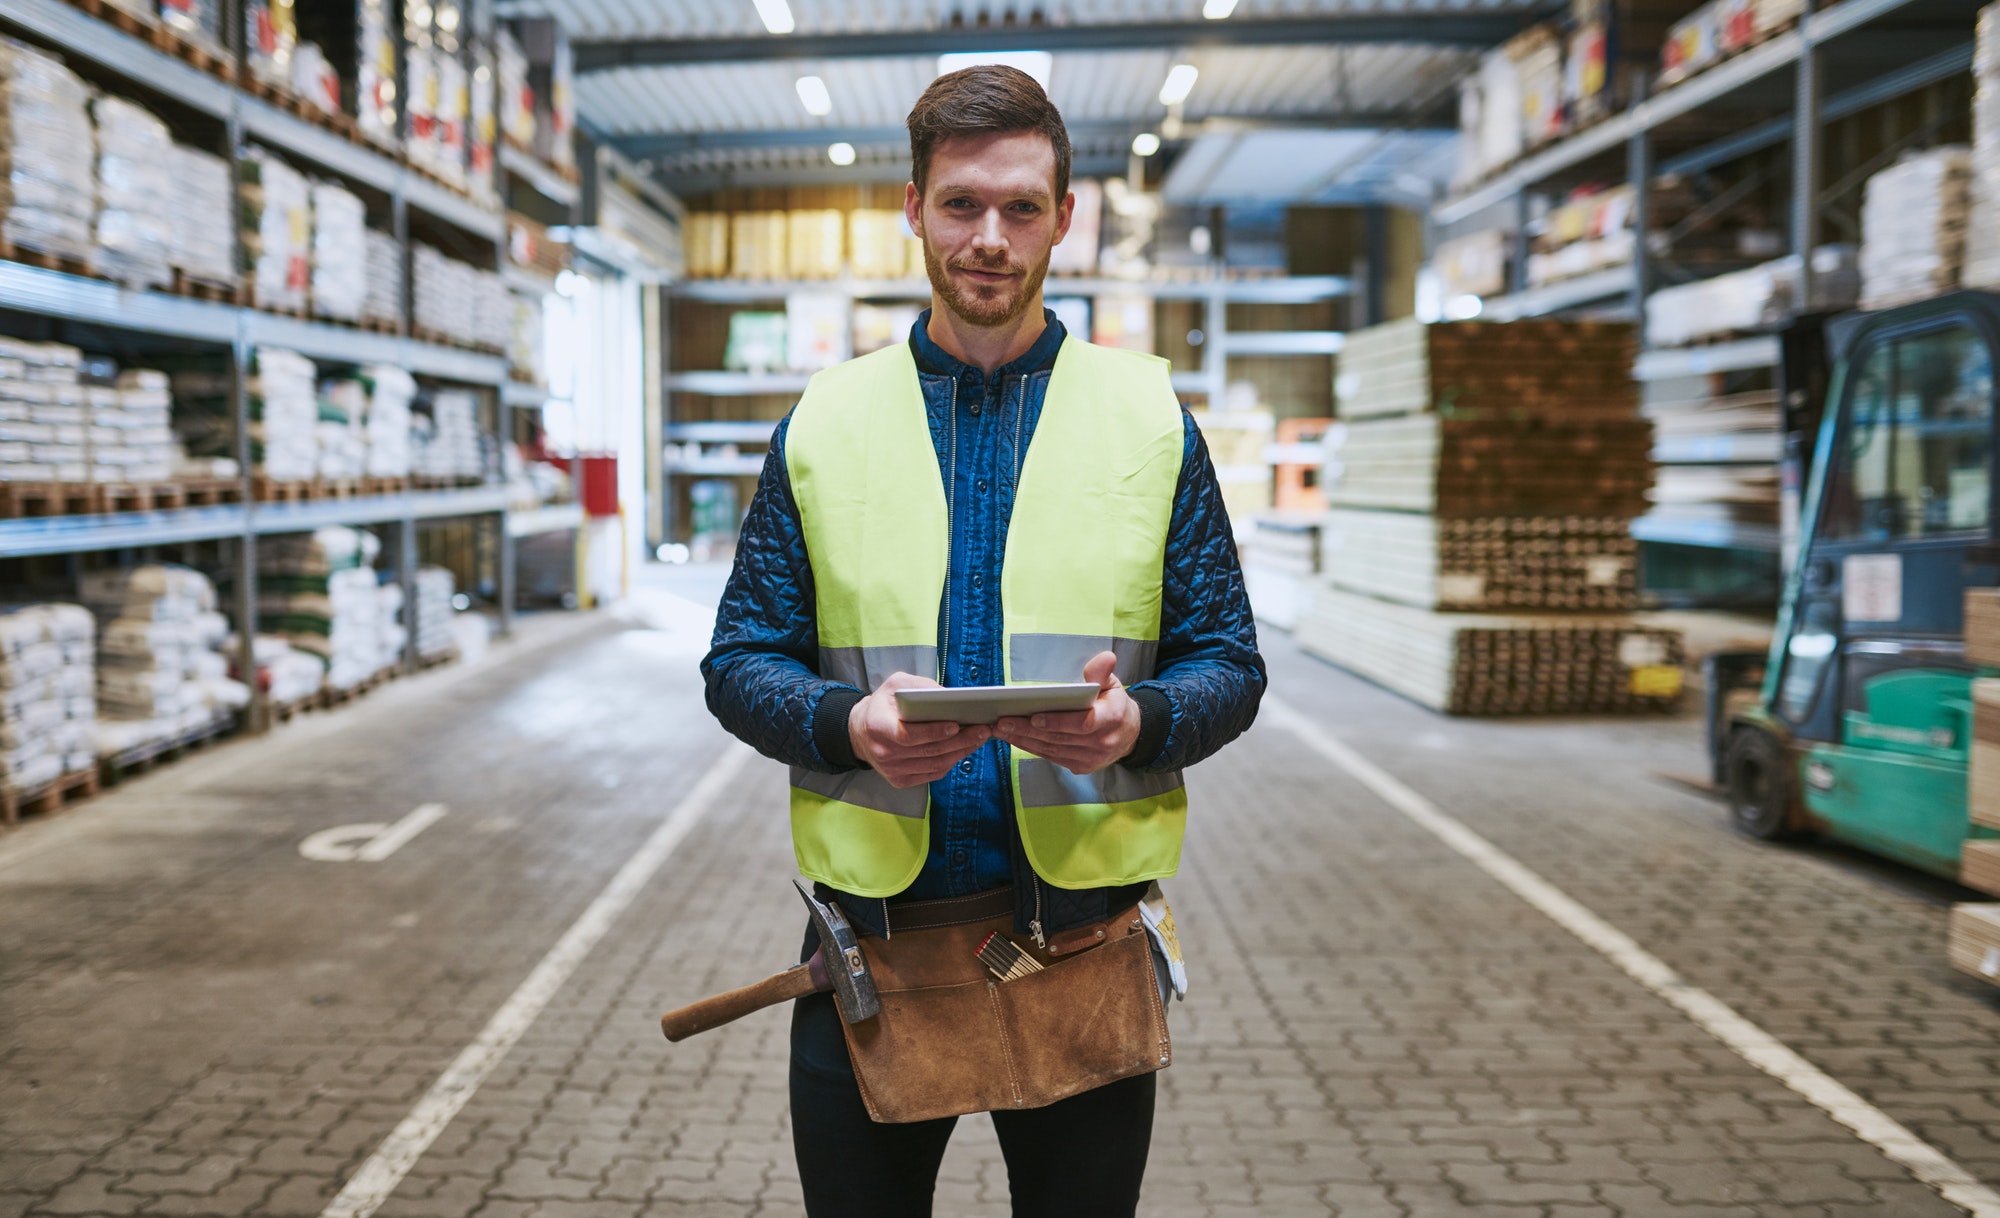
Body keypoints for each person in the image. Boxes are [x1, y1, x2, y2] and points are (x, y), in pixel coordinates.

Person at [701, 64, 1265, 1218]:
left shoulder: (1148, 418)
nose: (990, 240)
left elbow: (1228, 660)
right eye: (960, 204)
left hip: (1080, 949)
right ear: (912, 209)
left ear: (1065, 216)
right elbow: (739, 658)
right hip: (875, 950)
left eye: (1020, 208)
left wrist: (1138, 723)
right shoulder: (826, 420)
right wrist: (838, 723)